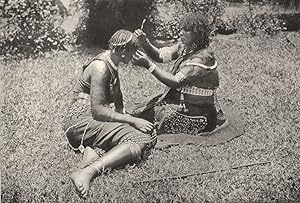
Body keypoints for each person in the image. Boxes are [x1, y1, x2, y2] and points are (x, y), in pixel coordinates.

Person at [64, 29, 156, 198]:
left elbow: (118, 103)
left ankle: (90, 150)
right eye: (132, 53)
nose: (133, 58)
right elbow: (98, 110)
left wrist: (128, 120)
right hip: (81, 121)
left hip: (85, 121)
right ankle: (88, 172)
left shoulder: (111, 62)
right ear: (122, 51)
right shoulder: (101, 67)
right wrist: (131, 121)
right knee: (140, 139)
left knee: (142, 129)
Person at [129, 12, 226, 136]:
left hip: (197, 110)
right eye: (182, 29)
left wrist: (148, 65)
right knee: (141, 107)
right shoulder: (186, 47)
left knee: (160, 116)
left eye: (187, 30)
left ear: (198, 34)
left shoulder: (202, 58)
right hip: (178, 99)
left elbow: (175, 82)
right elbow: (160, 55)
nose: (181, 33)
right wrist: (145, 43)